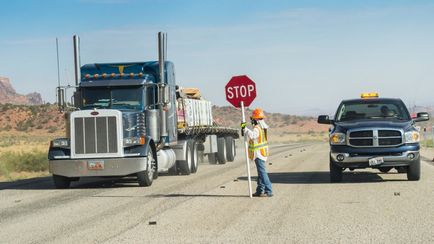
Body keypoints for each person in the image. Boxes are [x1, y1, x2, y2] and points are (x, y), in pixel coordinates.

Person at [241, 108, 273, 197]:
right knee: (260, 173)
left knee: (262, 173)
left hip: (259, 154)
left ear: (256, 119)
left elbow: (253, 136)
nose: (252, 121)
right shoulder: (262, 127)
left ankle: (269, 190)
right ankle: (260, 190)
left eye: (253, 119)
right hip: (262, 153)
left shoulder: (257, 128)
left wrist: (245, 129)